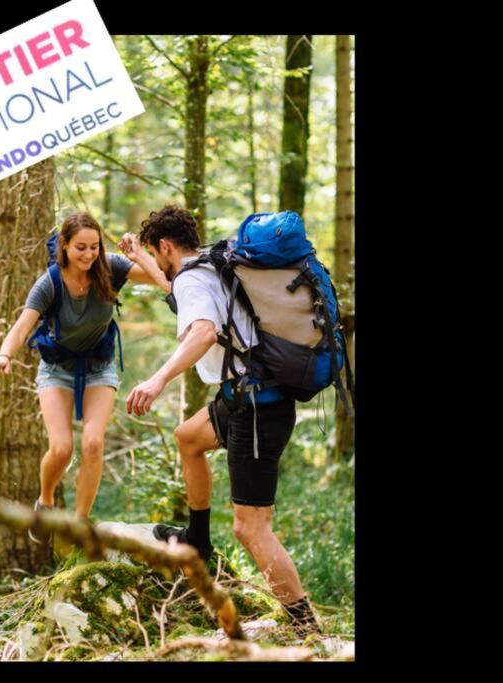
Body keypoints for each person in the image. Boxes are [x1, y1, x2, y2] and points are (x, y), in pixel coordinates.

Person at [125, 204, 322, 637]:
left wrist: (157, 380)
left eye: (155, 254)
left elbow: (202, 331)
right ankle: (197, 537)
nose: (159, 264)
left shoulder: (195, 277)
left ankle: (305, 625)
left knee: (251, 527)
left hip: (257, 410)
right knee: (188, 437)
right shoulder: (211, 264)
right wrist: (141, 261)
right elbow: (180, 292)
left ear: (166, 246)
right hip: (243, 398)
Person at [0, 212, 170, 525]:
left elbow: (163, 280)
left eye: (94, 247)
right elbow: (21, 326)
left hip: (99, 366)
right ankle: (45, 501)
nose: (89, 254)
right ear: (65, 246)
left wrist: (138, 254)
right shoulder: (50, 283)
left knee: (93, 443)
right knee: (61, 448)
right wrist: (4, 355)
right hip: (56, 369)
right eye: (81, 247)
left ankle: (80, 523)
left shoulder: (110, 267)